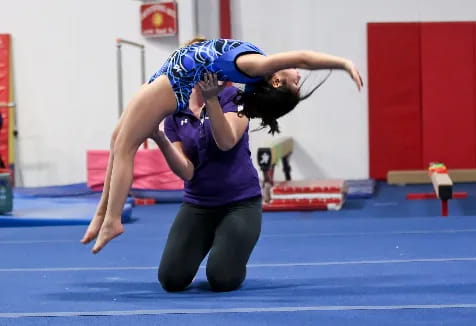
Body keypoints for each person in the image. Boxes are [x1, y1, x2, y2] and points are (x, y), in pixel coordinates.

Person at [80, 38, 363, 254]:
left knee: (126, 147)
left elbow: (303, 57)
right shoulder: (254, 78)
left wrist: (343, 64)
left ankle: (113, 219)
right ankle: (102, 213)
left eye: (295, 82)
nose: (299, 75)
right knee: (116, 139)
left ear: (276, 79)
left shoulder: (257, 67)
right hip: (169, 71)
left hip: (175, 83)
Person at [152, 79, 261, 292]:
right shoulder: (176, 114)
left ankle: (230, 243)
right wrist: (159, 138)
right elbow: (187, 171)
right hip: (198, 205)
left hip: (239, 204)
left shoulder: (236, 98)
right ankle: (211, 236)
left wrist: (211, 100)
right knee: (171, 278)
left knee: (222, 279)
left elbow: (227, 141)